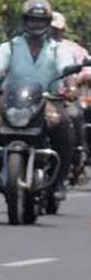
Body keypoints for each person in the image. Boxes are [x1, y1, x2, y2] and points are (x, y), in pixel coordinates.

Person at [0, 0, 75, 198]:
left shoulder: (58, 49)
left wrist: (71, 88)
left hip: (47, 102)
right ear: (24, 21)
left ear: (47, 22)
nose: (36, 24)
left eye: (40, 20)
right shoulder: (10, 47)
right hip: (12, 102)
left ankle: (59, 180)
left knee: (64, 123)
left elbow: (66, 69)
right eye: (32, 20)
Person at [50, 11, 89, 175]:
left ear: (63, 30)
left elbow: (86, 70)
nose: (51, 33)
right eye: (49, 28)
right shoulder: (27, 47)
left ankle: (76, 157)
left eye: (55, 30)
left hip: (64, 99)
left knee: (73, 114)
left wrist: (75, 84)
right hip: (33, 99)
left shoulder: (73, 49)